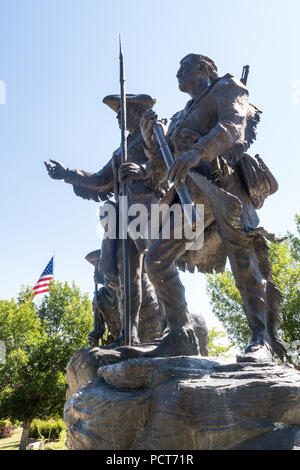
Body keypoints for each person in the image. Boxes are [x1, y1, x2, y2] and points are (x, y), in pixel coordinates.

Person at [138, 54, 285, 362]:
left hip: (227, 185)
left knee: (245, 262)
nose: (177, 74)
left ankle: (263, 340)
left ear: (203, 68)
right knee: (156, 259)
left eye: (183, 68)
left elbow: (233, 125)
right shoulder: (180, 116)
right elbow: (162, 171)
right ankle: (180, 335)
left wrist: (197, 151)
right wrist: (151, 139)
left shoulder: (228, 87)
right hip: (191, 195)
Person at [45, 94, 166, 346]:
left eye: (122, 111)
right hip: (122, 217)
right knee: (126, 276)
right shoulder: (119, 150)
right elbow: (101, 180)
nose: (117, 117)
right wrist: (67, 173)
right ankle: (129, 333)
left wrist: (142, 170)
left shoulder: (153, 132)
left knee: (159, 267)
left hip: (149, 210)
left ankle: (176, 327)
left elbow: (166, 163)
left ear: (137, 111)